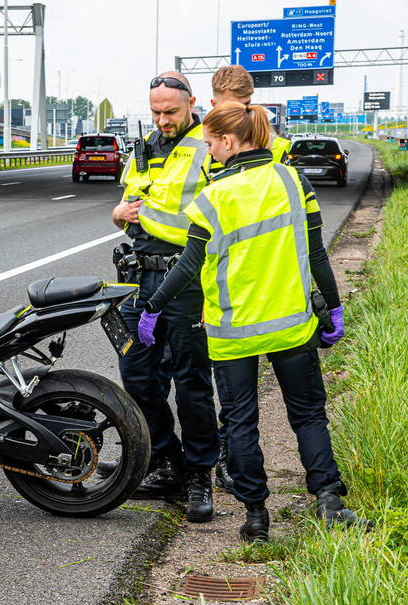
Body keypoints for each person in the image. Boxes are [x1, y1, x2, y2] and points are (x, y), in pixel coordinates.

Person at [135, 101, 370, 541]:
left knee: (241, 423)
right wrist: (333, 306)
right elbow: (316, 254)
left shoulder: (214, 196)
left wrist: (153, 306)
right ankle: (329, 501)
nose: (207, 152)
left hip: (233, 333)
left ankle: (257, 518)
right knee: (308, 415)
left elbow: (187, 265)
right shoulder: (292, 179)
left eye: (208, 144)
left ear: (228, 141)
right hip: (291, 323)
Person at [108, 71, 219, 523]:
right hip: (140, 279)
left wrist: (145, 217)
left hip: (186, 280)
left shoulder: (211, 145)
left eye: (170, 111)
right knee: (137, 376)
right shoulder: (144, 146)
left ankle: (199, 474)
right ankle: (164, 459)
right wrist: (119, 215)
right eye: (155, 111)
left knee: (191, 383)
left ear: (191, 103)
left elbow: (212, 217)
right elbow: (126, 210)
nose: (162, 119)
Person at [204, 65, 292, 494]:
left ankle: (241, 482)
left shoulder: (236, 144)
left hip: (237, 282)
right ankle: (233, 470)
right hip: (267, 283)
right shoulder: (275, 148)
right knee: (249, 403)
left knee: (236, 403)